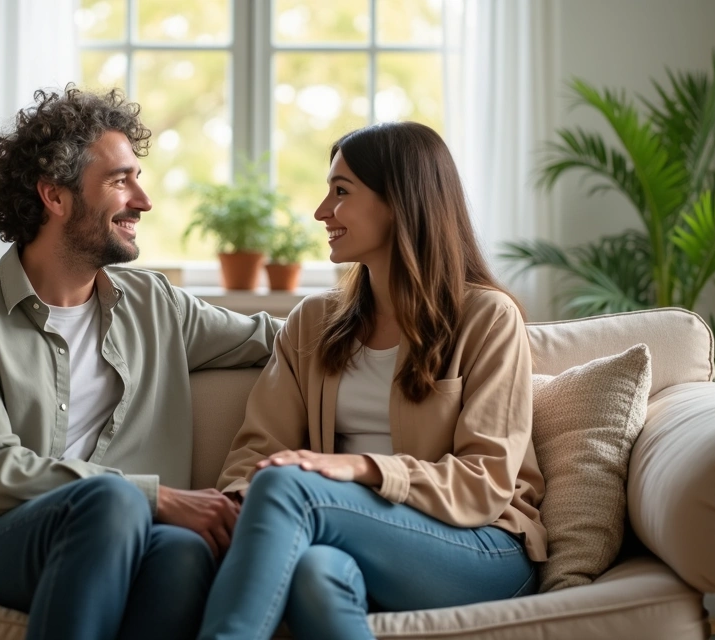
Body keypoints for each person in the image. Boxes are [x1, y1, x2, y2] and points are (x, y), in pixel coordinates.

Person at [0, 85, 281, 640]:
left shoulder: (157, 306)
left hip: (133, 534)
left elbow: (281, 338)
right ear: (55, 198)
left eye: (138, 178)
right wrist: (158, 496)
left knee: (182, 551)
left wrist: (406, 316)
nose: (144, 201)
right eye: (120, 180)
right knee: (112, 500)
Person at [197, 121, 547, 640]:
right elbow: (255, 454)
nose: (321, 212)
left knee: (291, 487)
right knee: (316, 573)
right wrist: (242, 506)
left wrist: (358, 468)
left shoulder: (487, 318)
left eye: (341, 192)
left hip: (480, 545)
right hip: (346, 536)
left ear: (400, 202)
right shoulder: (313, 323)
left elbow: (485, 481)